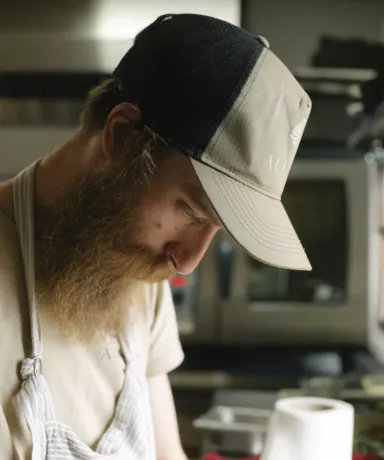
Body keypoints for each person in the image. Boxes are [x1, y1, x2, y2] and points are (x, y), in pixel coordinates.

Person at [0, 13, 312, 460]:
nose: (186, 262)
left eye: (215, 231)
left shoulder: (138, 270)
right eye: (190, 211)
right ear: (123, 135)